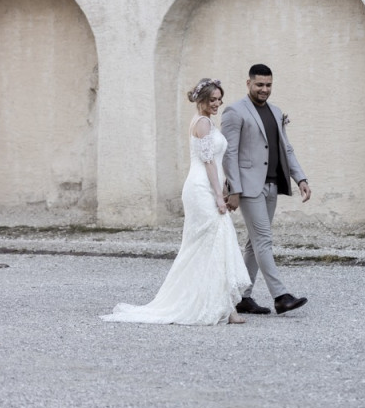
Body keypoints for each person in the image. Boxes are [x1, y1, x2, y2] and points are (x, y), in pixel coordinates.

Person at [101, 78, 250, 325]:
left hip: (208, 185)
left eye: (219, 99)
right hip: (201, 189)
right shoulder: (202, 123)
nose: (217, 104)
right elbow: (209, 162)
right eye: (212, 100)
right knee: (208, 243)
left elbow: (216, 160)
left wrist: (224, 186)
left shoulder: (208, 122)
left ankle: (225, 305)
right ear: (201, 100)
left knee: (218, 242)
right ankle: (215, 305)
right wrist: (217, 195)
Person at [222, 64, 311, 315]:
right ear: (248, 83)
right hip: (248, 188)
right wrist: (234, 189)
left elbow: (287, 149)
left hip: (272, 185)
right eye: (259, 84)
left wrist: (300, 178)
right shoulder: (234, 111)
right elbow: (229, 154)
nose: (264, 89)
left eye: (268, 85)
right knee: (263, 240)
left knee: (254, 243)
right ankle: (281, 296)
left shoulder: (275, 111)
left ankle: (242, 298)